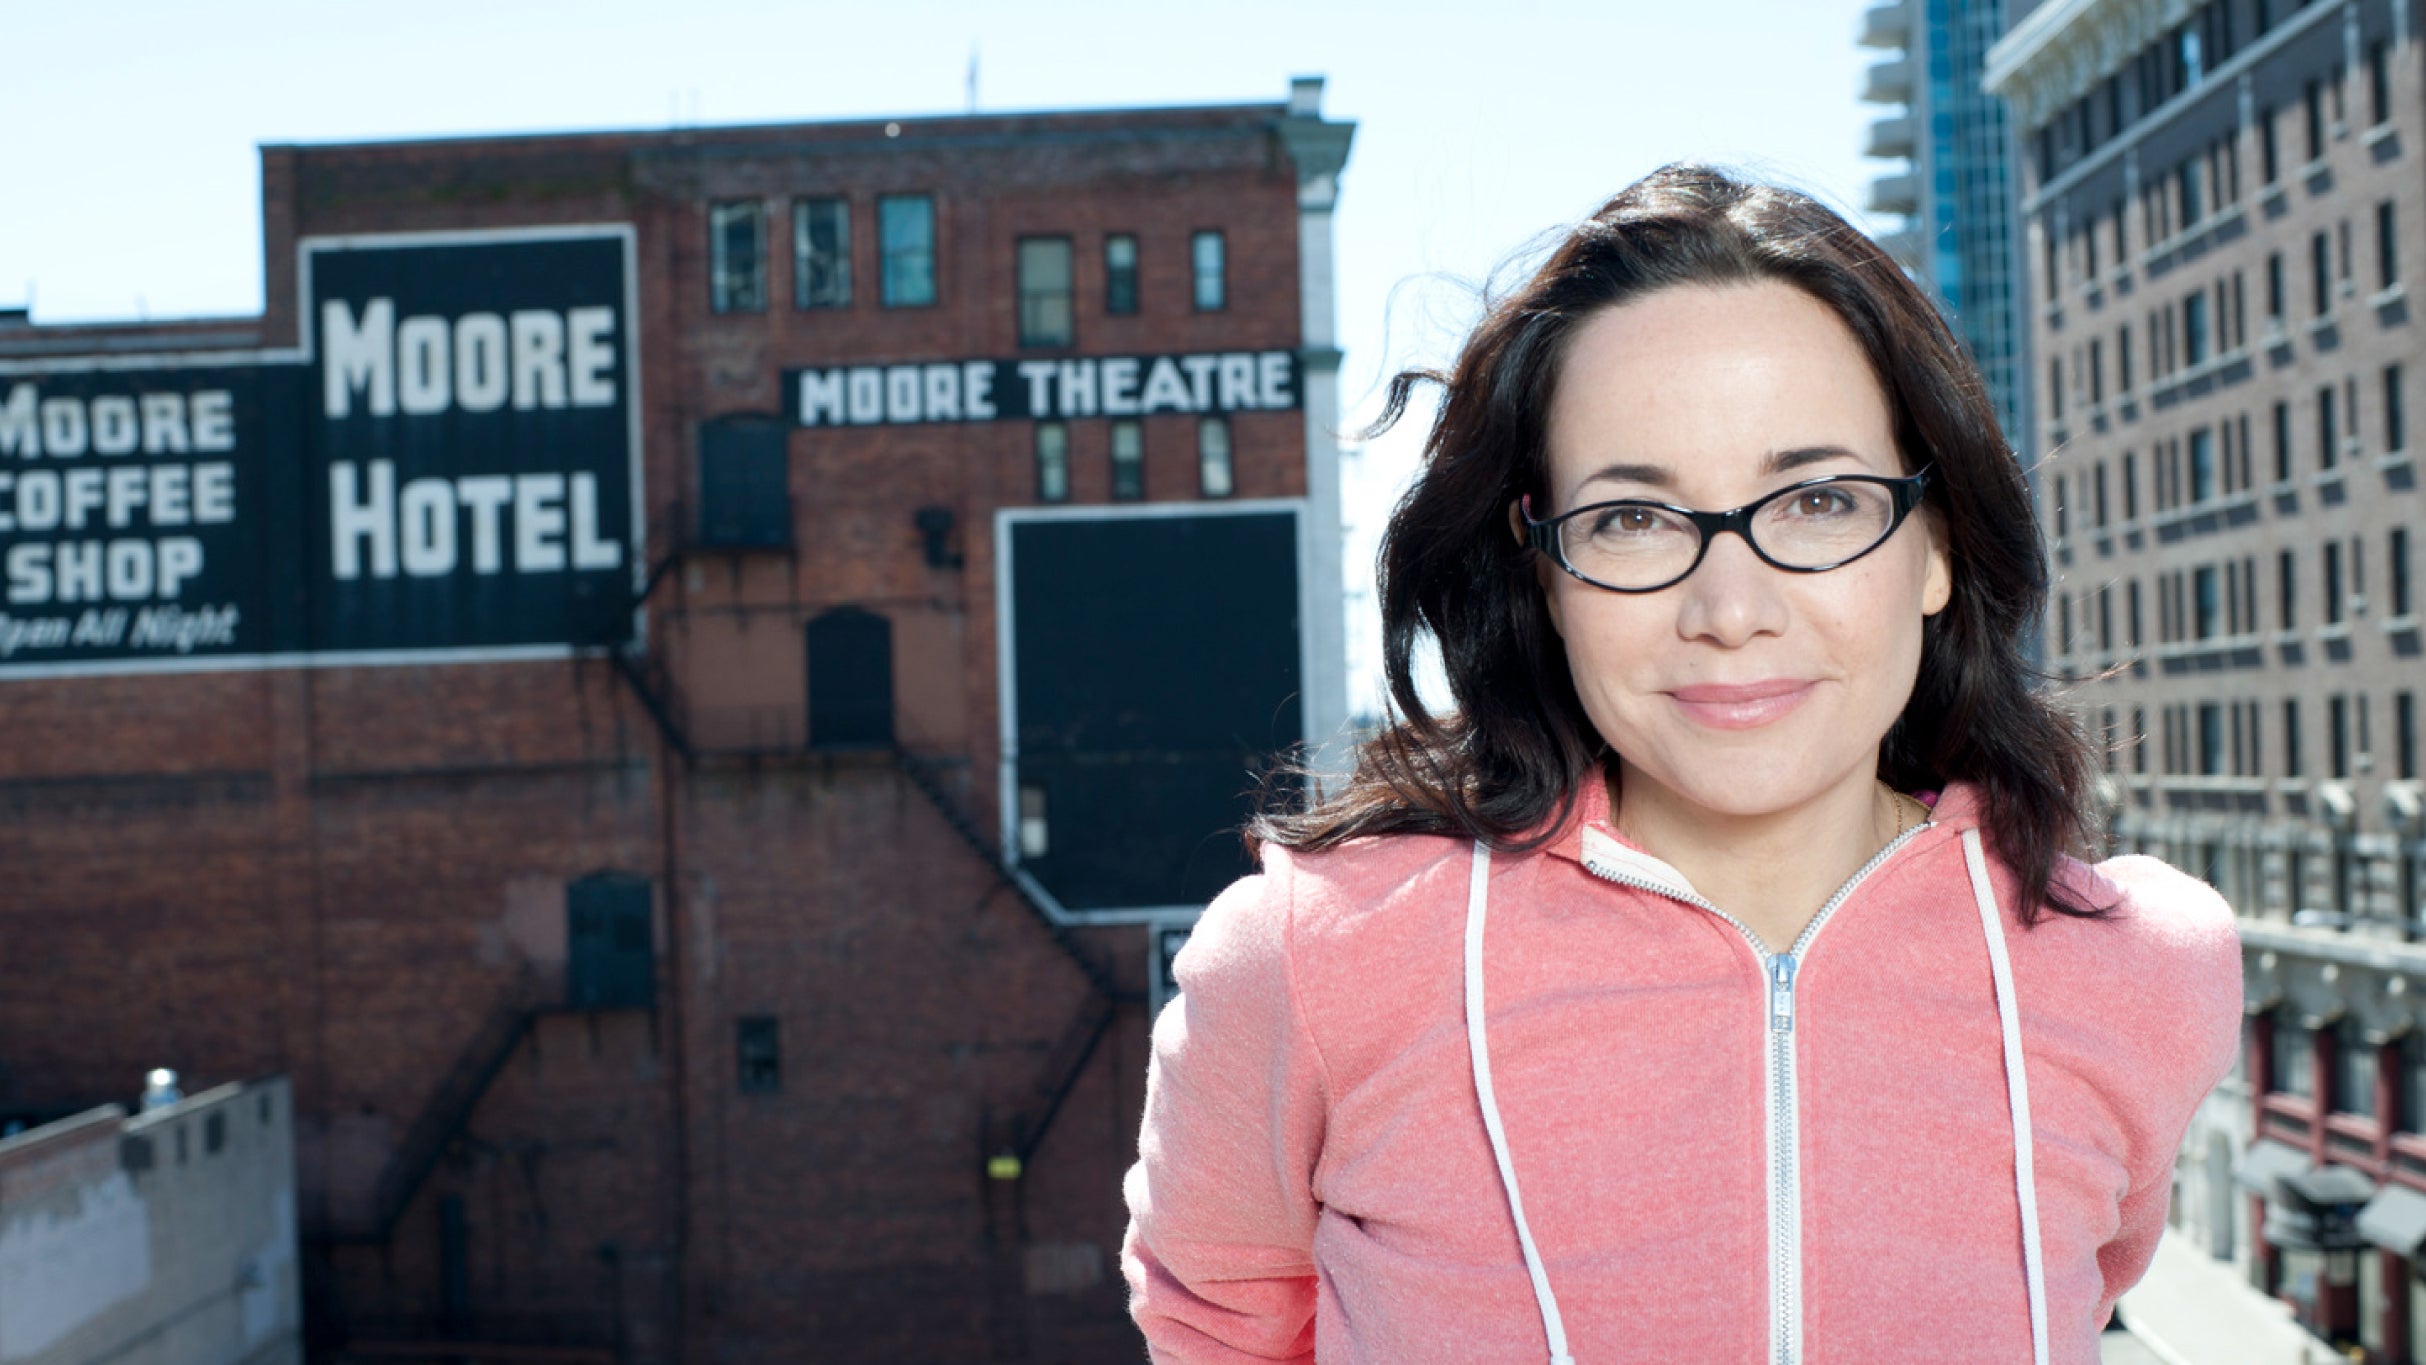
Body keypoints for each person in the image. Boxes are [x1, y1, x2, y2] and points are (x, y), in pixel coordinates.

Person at [1120, 165, 2242, 1365]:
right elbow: (1219, 1334)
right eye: (1631, 520)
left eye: (1816, 501)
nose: (1729, 609)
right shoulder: (1313, 961)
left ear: (1933, 548)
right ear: (1543, 574)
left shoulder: (2141, 965)